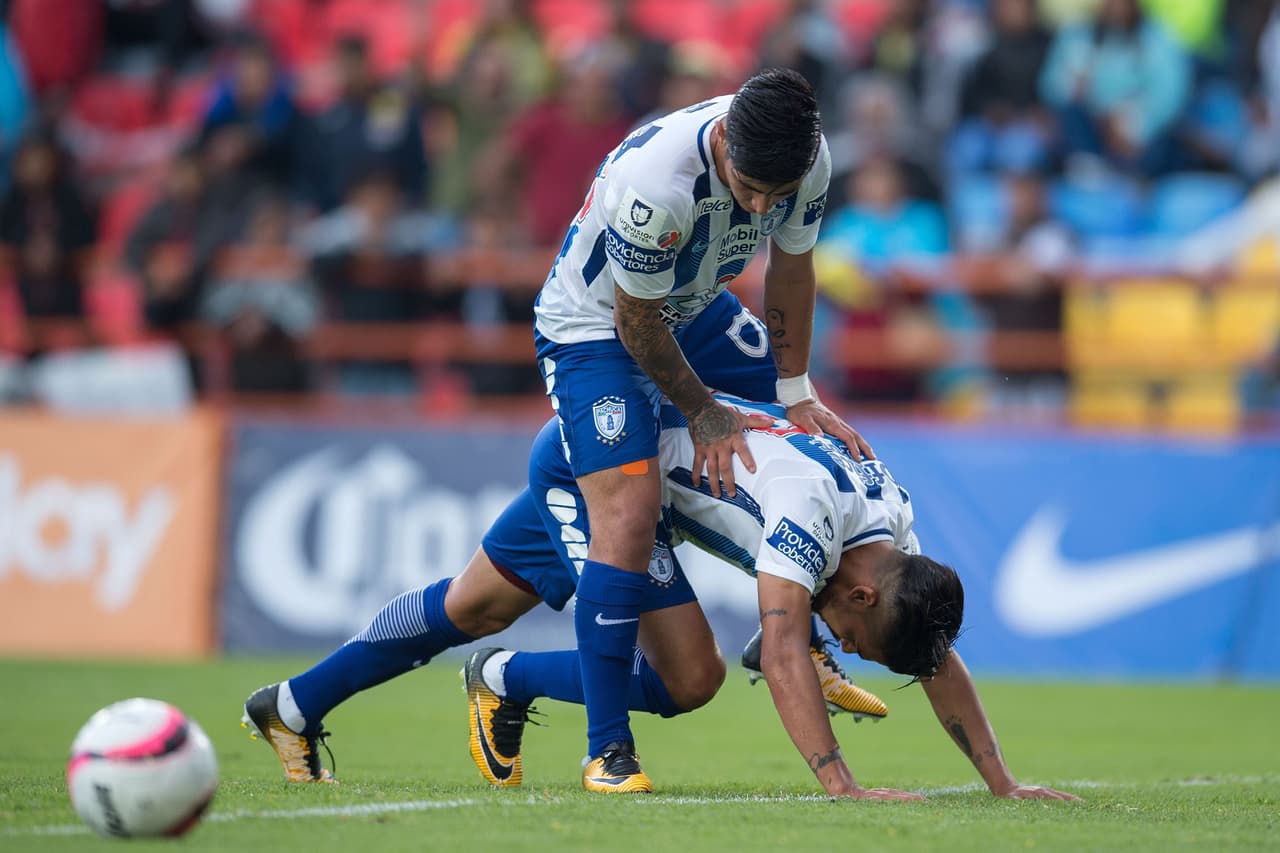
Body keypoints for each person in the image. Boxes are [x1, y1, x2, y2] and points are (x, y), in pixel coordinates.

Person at [240, 364, 1076, 803]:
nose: (843, 648)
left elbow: (933, 657)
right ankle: (523, 694)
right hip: (598, 467)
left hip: (650, 480)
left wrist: (1002, 780)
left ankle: (293, 704)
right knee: (693, 676)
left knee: (470, 605)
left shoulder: (891, 528)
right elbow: (782, 647)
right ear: (859, 597)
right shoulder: (808, 509)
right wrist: (841, 784)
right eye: (853, 640)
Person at [530, 66, 871, 793]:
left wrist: (796, 392)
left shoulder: (805, 157)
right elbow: (635, 323)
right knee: (629, 508)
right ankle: (607, 750)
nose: (758, 204)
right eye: (748, 186)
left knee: (813, 438)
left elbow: (792, 267)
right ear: (721, 140)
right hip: (599, 327)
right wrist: (705, 413)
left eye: (773, 195)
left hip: (691, 303)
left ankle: (797, 635)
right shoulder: (657, 183)